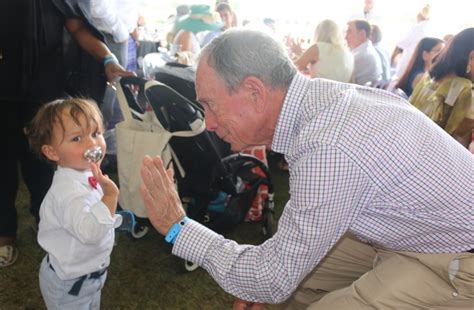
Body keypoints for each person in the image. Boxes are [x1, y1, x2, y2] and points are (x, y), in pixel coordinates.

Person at [140, 29, 473, 309]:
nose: (208, 123)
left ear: (255, 92)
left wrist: (177, 227)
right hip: (415, 231)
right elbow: (279, 271)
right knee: (293, 285)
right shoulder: (321, 101)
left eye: (210, 104)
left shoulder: (326, 145)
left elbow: (271, 278)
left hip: (458, 256)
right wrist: (266, 283)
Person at [0, 0, 133, 268]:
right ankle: (4, 235)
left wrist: (107, 58)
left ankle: (47, 222)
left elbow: (77, 26)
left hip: (44, 91)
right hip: (3, 90)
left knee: (44, 165)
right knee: (2, 165)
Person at [27, 98, 120, 309]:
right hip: (70, 285)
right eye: (77, 138)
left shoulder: (84, 172)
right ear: (52, 152)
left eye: (96, 133)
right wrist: (110, 197)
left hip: (88, 275)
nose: (93, 144)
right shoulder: (68, 193)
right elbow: (90, 232)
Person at [410, 28, 474, 149]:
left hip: (408, 146)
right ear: (471, 56)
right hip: (434, 158)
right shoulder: (465, 90)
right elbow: (459, 145)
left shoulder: (428, 77)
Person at [391, 4, 434, 79]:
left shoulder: (417, 28)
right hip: (421, 64)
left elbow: (401, 44)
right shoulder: (429, 28)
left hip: (409, 61)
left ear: (418, 16)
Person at [345, 19, 382, 85]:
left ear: (362, 34)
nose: (345, 37)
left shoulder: (362, 55)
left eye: (349, 32)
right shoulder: (367, 50)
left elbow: (340, 79)